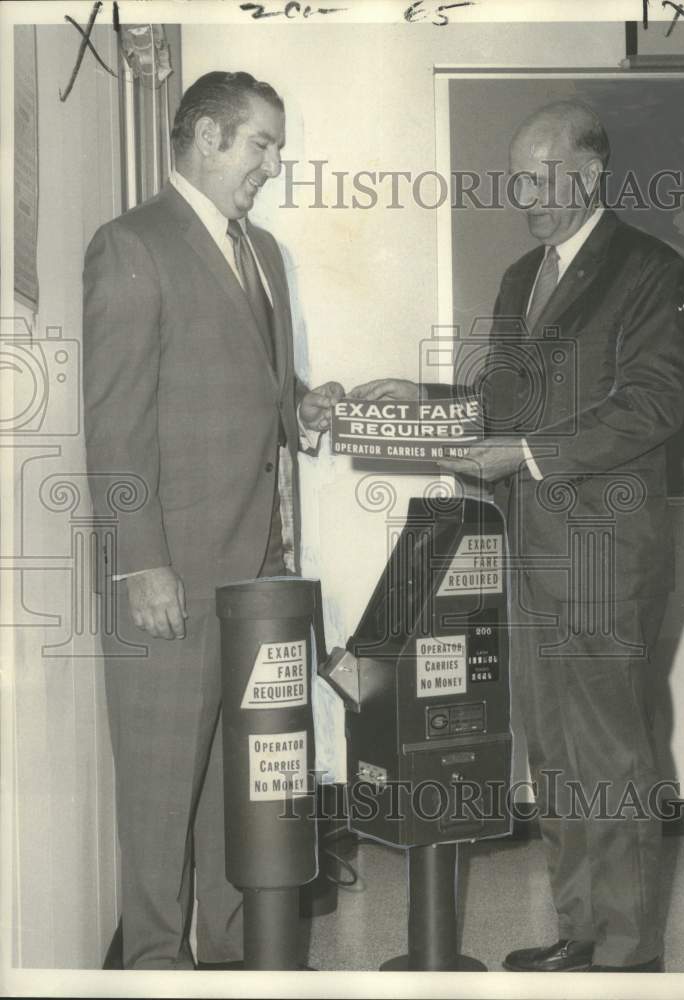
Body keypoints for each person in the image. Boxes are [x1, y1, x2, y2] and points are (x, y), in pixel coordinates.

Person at [351, 100, 684, 973]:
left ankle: (625, 955)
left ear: (588, 176)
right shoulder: (520, 279)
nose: (521, 194)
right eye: (514, 177)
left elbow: (655, 407)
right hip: (533, 548)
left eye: (538, 178)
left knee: (610, 752)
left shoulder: (657, 273)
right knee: (552, 746)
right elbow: (499, 412)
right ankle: (579, 930)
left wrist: (528, 453)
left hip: (607, 554)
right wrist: (421, 401)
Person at [83, 70, 344, 970]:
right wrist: (137, 562)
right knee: (159, 798)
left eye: (273, 145)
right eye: (260, 144)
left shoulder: (262, 250)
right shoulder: (131, 244)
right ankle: (155, 966)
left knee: (239, 783)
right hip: (171, 576)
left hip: (256, 571)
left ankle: (230, 960)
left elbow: (253, 385)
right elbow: (113, 423)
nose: (272, 163)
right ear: (203, 136)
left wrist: (302, 407)